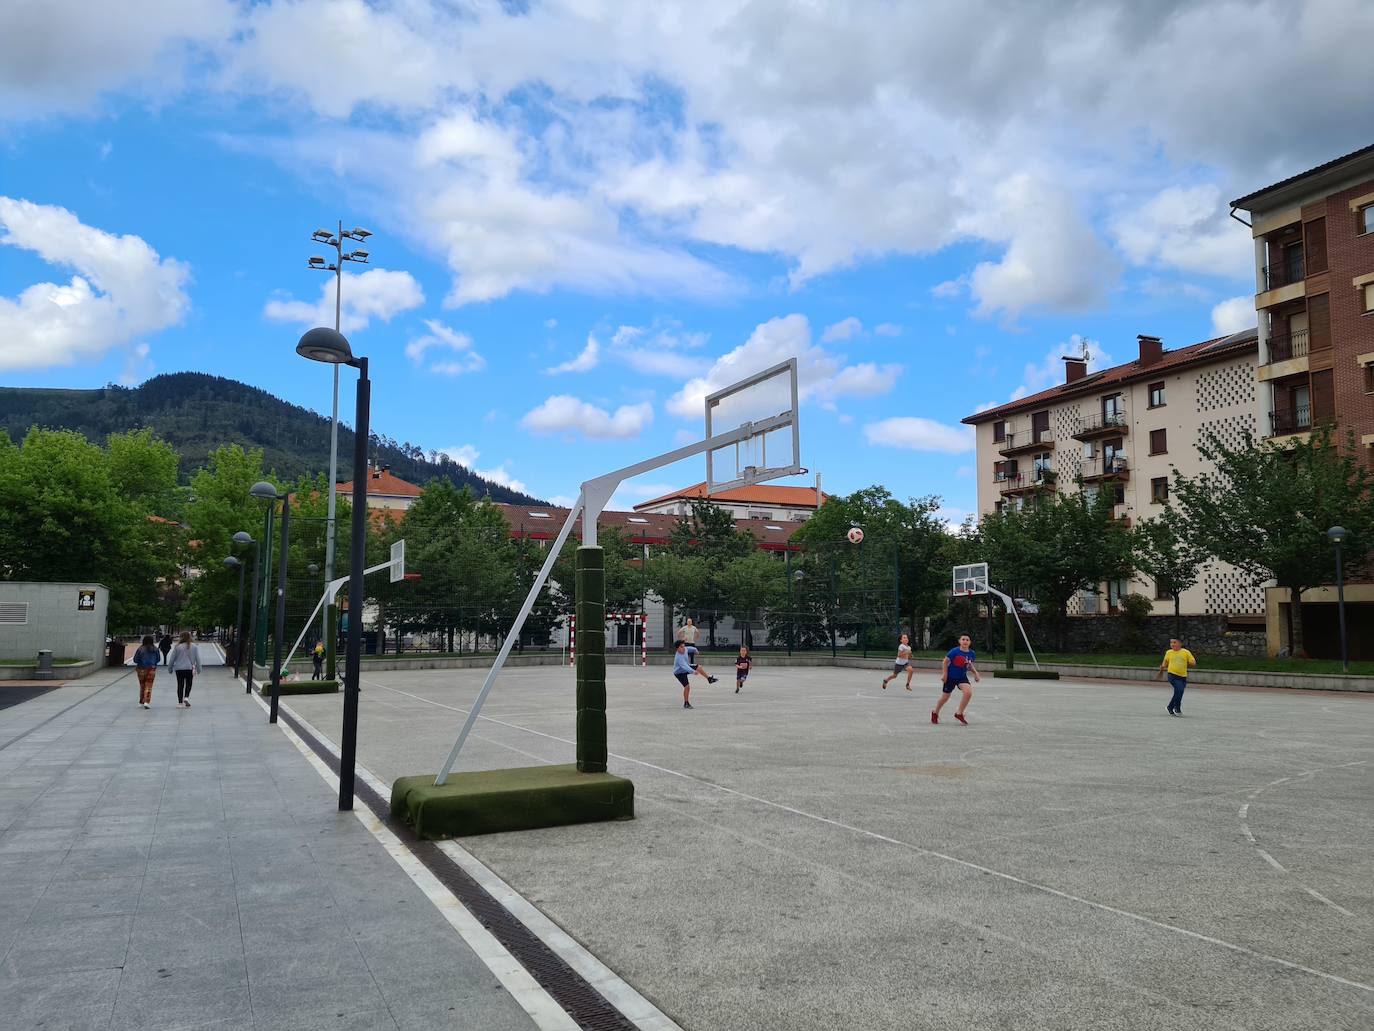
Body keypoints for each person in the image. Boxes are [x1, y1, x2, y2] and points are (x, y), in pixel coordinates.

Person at [933, 633, 980, 725]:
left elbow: (969, 665)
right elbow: (945, 662)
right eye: (963, 639)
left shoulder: (972, 653)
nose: (965, 641)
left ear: (970, 642)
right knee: (945, 698)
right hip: (950, 677)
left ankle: (959, 713)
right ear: (959, 641)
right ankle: (935, 712)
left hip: (962, 677)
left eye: (967, 640)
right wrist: (944, 674)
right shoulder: (954, 651)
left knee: (968, 692)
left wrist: (976, 673)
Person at [1159, 637, 1197, 716]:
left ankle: (1170, 707)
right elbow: (1165, 662)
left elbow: (1193, 662)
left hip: (1183, 676)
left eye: (1174, 642)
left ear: (1180, 644)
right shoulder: (1169, 652)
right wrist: (1162, 666)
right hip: (1172, 675)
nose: (1172, 644)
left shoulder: (1185, 652)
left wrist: (1191, 662)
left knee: (1179, 692)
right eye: (1171, 643)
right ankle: (1177, 708)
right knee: (1179, 690)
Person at [168, 631, 203, 708]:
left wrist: (170, 668)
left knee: (180, 685)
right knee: (189, 683)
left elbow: (172, 659)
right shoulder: (194, 646)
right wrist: (199, 669)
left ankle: (180, 702)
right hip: (189, 668)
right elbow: (198, 658)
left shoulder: (177, 647)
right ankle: (186, 697)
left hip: (179, 669)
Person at [133, 635, 160, 709]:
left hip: (141, 669)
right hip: (151, 669)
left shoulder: (140, 649)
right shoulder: (155, 649)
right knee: (149, 686)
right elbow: (158, 659)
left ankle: (141, 701)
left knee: (142, 685)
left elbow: (135, 660)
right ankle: (146, 702)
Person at [673, 641, 698, 709]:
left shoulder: (685, 649)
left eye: (684, 646)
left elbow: (691, 648)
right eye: (681, 647)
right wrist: (692, 671)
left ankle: (709, 678)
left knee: (699, 667)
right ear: (677, 649)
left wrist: (696, 650)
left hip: (685, 669)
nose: (683, 648)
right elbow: (684, 666)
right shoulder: (679, 657)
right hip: (679, 673)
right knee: (687, 687)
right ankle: (686, 703)